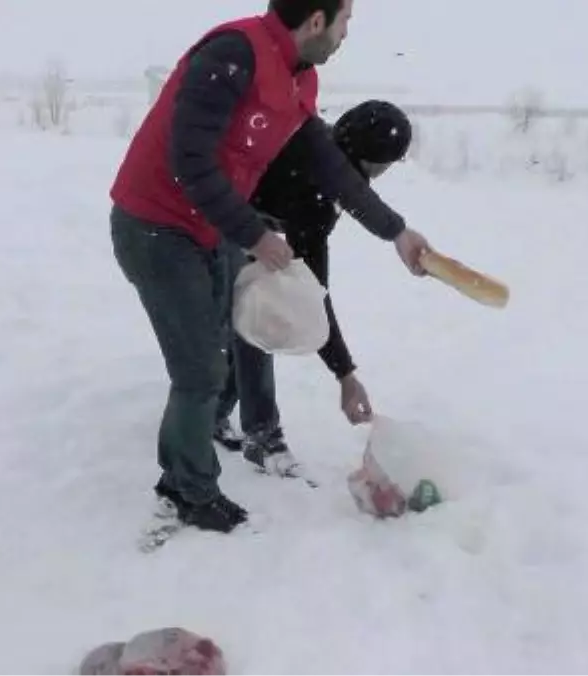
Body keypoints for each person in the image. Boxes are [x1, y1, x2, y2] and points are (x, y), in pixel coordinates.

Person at [108, 0, 432, 535]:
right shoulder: (233, 56)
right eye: (345, 20)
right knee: (200, 369)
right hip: (156, 225)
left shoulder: (298, 79)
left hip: (210, 228)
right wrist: (257, 235)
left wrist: (395, 231)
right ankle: (189, 491)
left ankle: (202, 453)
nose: (348, 32)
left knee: (218, 349)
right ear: (316, 22)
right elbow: (189, 161)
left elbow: (333, 167)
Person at [213, 99, 415, 476]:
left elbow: (311, 290)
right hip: (219, 213)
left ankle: (214, 410)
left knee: (250, 314)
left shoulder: (321, 149)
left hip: (236, 210)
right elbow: (314, 296)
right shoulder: (315, 191)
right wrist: (345, 375)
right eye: (389, 162)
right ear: (373, 162)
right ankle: (262, 436)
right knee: (261, 314)